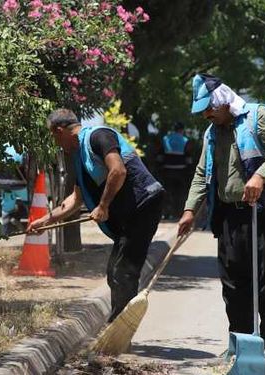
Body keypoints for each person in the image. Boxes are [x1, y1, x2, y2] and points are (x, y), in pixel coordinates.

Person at [177, 73, 265, 374]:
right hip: (232, 215)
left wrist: (260, 176)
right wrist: (190, 209)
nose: (206, 114)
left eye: (209, 108)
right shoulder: (211, 133)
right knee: (234, 284)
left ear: (222, 101)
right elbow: (201, 173)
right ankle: (242, 346)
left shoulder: (259, 116)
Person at [28, 109, 165, 321]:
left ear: (59, 130)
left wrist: (103, 205)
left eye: (54, 137)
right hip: (129, 214)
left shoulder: (98, 136)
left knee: (123, 271)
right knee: (115, 272)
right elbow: (74, 200)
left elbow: (118, 170)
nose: (56, 143)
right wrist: (44, 221)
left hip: (143, 205)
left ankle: (119, 329)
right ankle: (119, 325)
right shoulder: (79, 157)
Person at [160, 121, 192, 219]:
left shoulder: (165, 139)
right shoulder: (185, 140)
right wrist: (190, 169)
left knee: (168, 192)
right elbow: (188, 157)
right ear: (182, 130)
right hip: (181, 170)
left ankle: (166, 213)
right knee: (180, 193)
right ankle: (178, 213)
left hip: (167, 170)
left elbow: (161, 155)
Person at [0, 144, 30, 235]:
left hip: (3, 183)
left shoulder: (1, 146)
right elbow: (27, 166)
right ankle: (20, 219)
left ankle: (5, 233)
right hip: (19, 183)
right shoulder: (23, 148)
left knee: (6, 207)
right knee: (29, 202)